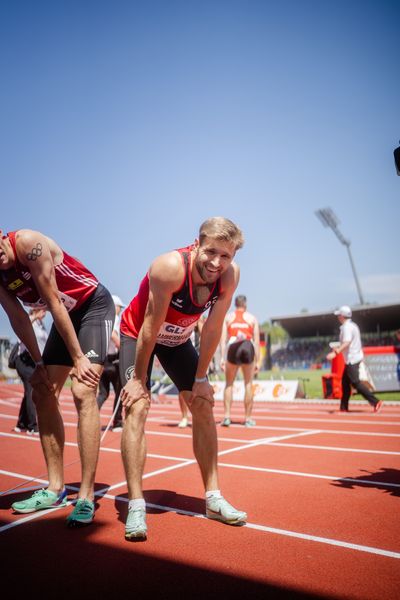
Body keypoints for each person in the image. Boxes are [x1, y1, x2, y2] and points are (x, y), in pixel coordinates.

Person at [119, 217, 247, 540]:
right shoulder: (169, 268)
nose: (217, 263)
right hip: (140, 334)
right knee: (137, 407)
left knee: (202, 403)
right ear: (196, 244)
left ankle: (213, 499)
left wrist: (201, 377)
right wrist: (138, 380)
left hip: (177, 340)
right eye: (212, 252)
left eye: (226, 256)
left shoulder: (229, 277)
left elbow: (214, 327)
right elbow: (150, 325)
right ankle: (136, 504)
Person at [0, 228, 115, 526]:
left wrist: (78, 358)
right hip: (66, 315)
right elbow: (18, 317)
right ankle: (55, 488)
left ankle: (87, 495)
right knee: (42, 391)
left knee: (83, 390)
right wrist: (38, 362)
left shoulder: (28, 244)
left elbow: (51, 301)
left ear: (1, 235)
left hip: (92, 307)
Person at [326, 305, 383, 413]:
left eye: (339, 315)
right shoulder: (353, 326)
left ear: (342, 316)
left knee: (355, 382)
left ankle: (376, 402)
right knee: (345, 383)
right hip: (353, 357)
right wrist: (338, 347)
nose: (338, 317)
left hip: (352, 359)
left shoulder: (347, 327)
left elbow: (347, 342)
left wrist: (335, 352)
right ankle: (343, 407)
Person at [220, 295, 260, 427]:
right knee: (248, 383)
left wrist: (221, 357)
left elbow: (223, 339)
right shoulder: (252, 318)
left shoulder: (228, 318)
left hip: (233, 346)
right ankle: (248, 419)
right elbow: (257, 341)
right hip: (247, 346)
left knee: (229, 384)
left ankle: (227, 417)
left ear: (235, 304)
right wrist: (258, 361)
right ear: (245, 304)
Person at [13, 308, 48, 434]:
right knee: (31, 390)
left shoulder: (41, 325)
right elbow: (22, 331)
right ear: (37, 310)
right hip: (24, 360)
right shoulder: (29, 320)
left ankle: (21, 424)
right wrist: (34, 316)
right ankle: (32, 426)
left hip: (35, 362)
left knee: (29, 392)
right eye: (43, 310)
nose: (45, 313)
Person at [97, 294, 125, 432]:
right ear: (114, 306)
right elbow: (113, 334)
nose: (121, 310)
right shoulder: (114, 317)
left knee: (103, 393)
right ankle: (118, 422)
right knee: (120, 393)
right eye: (120, 307)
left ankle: (89, 419)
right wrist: (124, 348)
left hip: (102, 360)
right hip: (114, 360)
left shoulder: (101, 318)